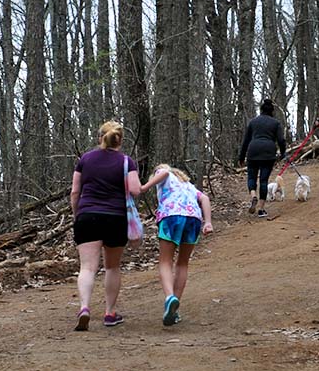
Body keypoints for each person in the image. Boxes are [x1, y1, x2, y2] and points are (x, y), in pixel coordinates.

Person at [71, 120, 141, 331]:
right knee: (112, 266)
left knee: (87, 267)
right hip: (115, 218)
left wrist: (77, 214)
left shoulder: (85, 159)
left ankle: (84, 308)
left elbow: (75, 192)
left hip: (87, 216)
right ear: (120, 140)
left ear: (99, 137)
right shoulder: (127, 162)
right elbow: (136, 190)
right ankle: (110, 313)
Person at [139, 164, 213, 326]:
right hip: (193, 218)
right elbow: (205, 199)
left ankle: (169, 297)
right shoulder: (188, 185)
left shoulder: (164, 172)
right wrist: (207, 222)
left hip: (172, 215)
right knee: (183, 263)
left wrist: (144, 187)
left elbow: (164, 172)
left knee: (165, 261)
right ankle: (175, 308)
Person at [238, 99, 286, 219]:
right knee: (264, 180)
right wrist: (283, 153)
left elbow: (246, 140)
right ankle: (261, 209)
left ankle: (253, 195)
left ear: (261, 110)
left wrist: (241, 156)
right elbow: (281, 140)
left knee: (252, 177)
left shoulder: (253, 122)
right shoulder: (276, 123)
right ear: (272, 111)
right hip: (268, 152)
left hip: (253, 150)